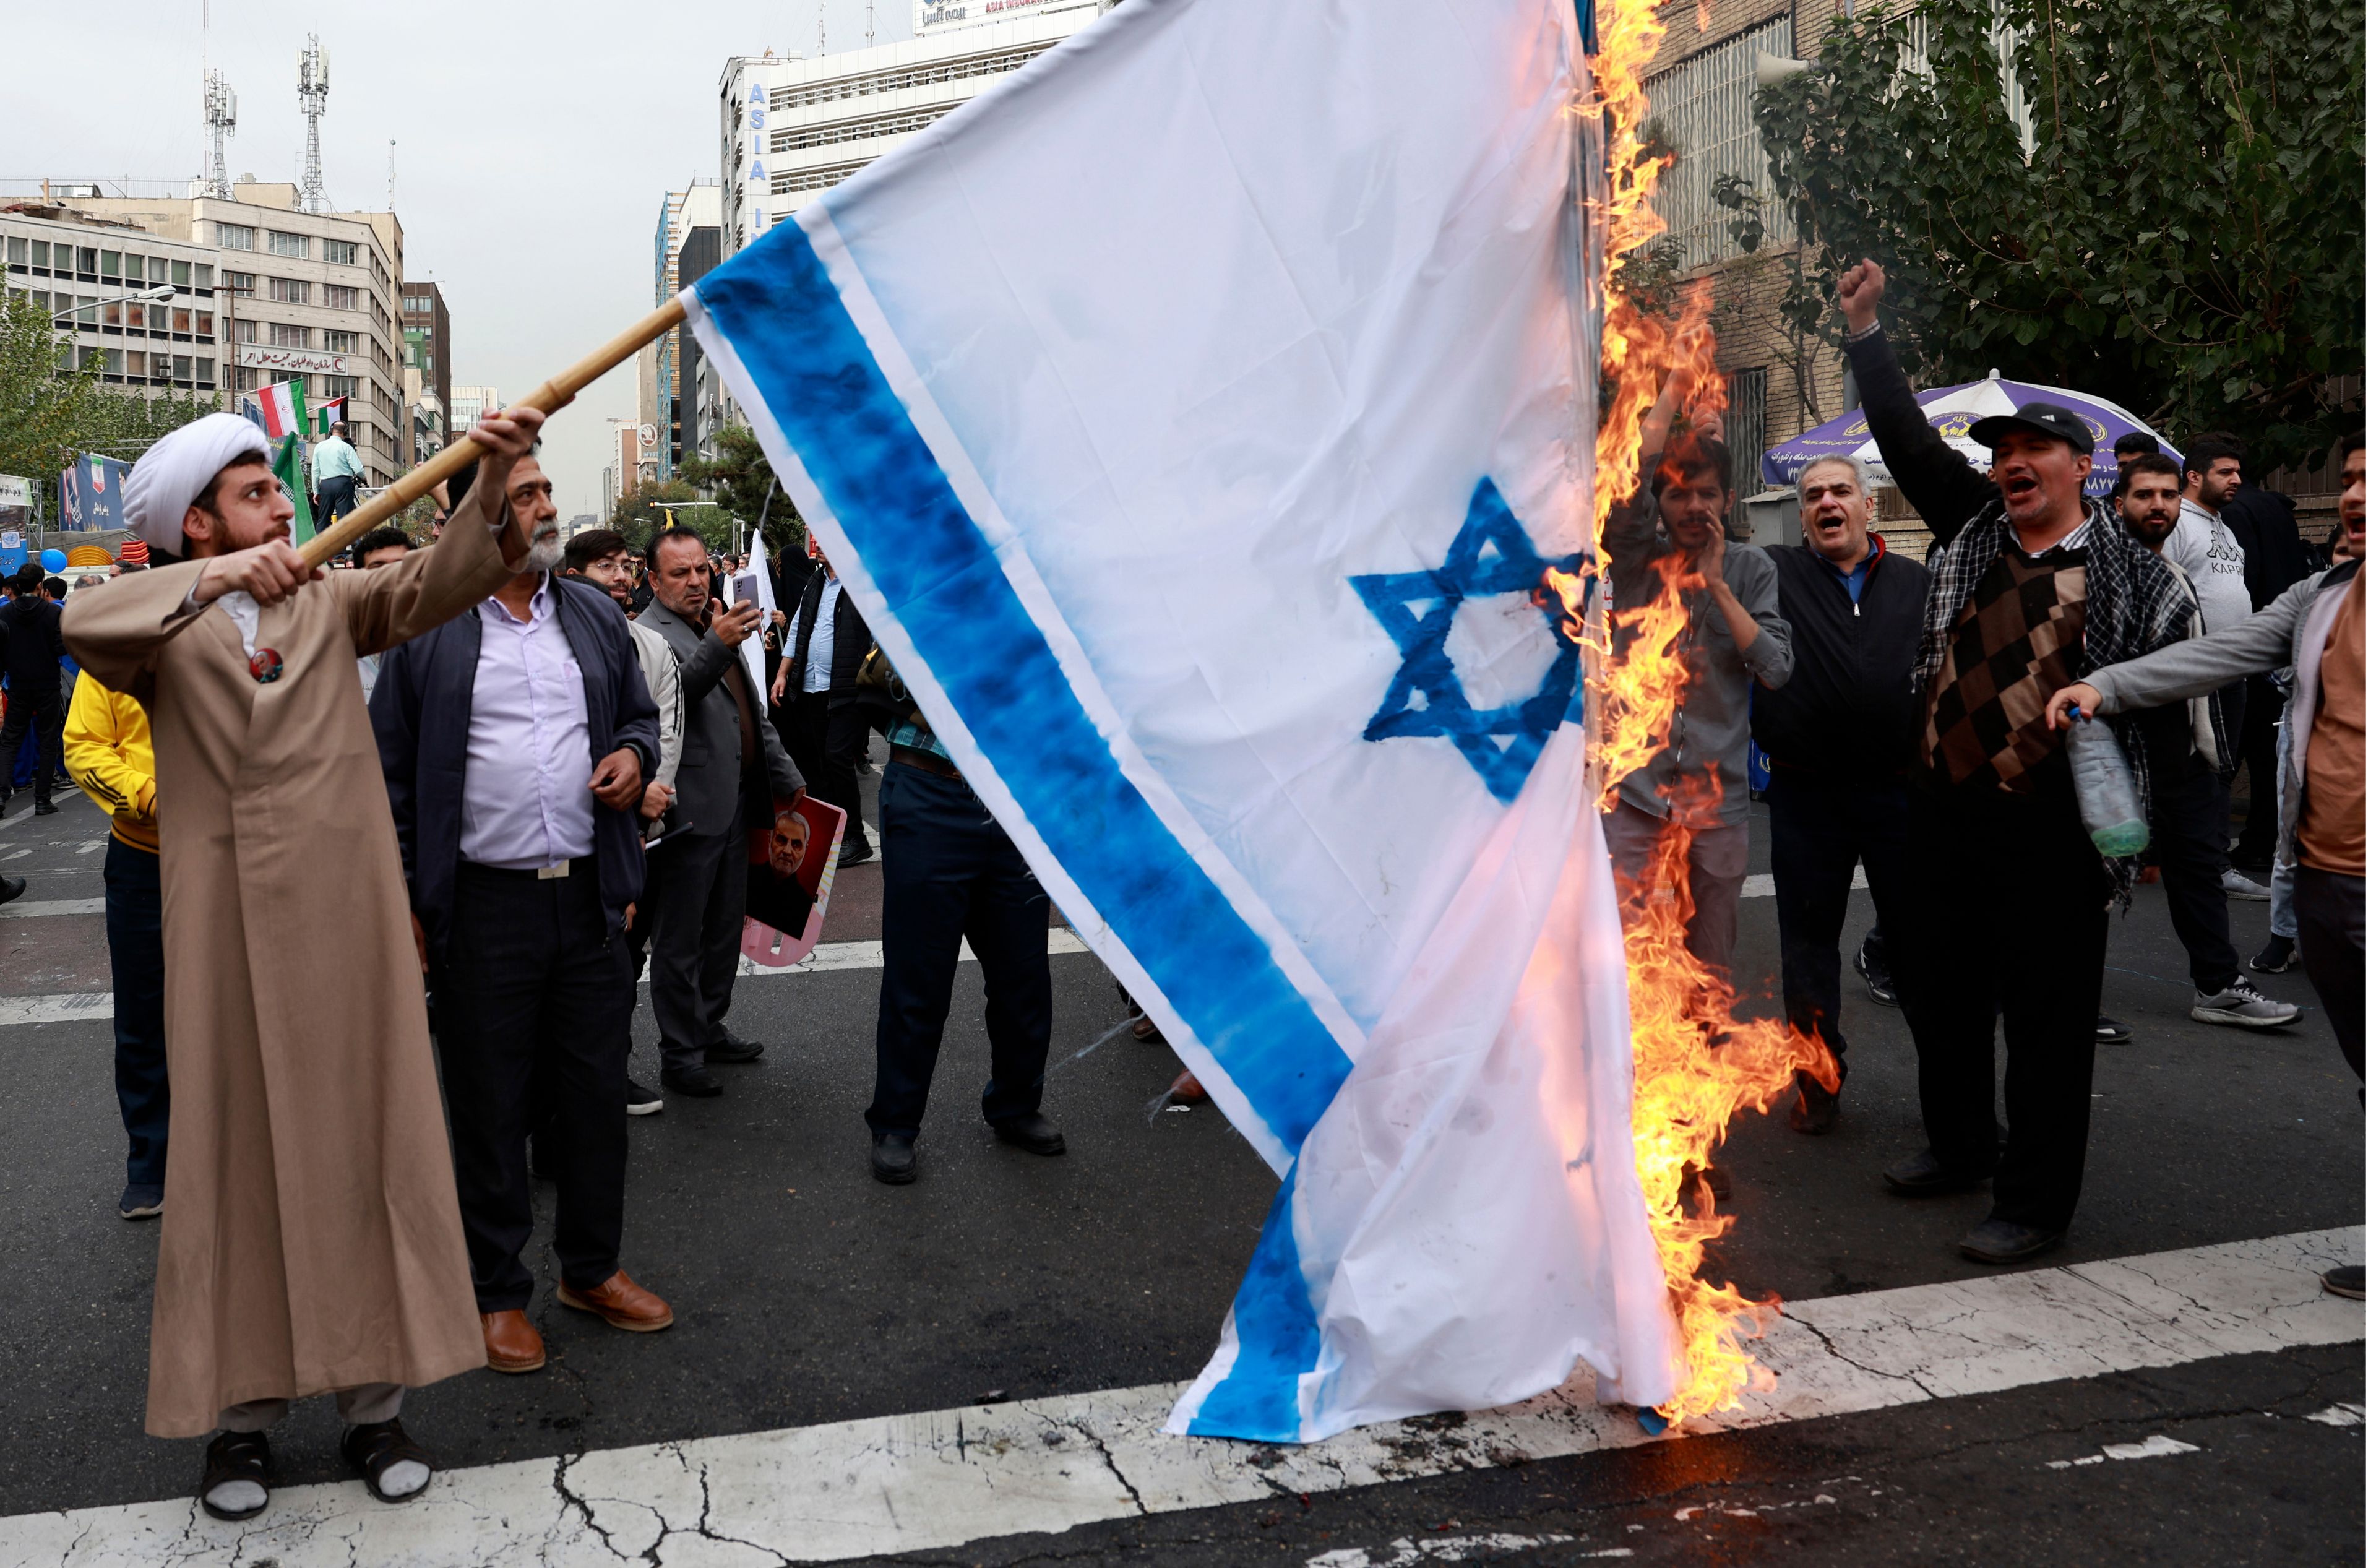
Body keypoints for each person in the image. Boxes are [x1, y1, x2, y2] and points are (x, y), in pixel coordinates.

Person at [62, 407, 543, 1518]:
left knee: (359, 1144)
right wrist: (222, 572)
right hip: (222, 931)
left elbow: (442, 578)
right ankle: (239, 1425)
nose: (286, 506)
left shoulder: (331, 598)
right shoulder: (161, 627)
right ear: (199, 522)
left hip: (346, 925)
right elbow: (88, 626)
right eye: (254, 494)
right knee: (232, 1163)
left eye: (280, 493)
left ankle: (376, 1407)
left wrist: (494, 471)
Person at [1838, 259, 2195, 1265]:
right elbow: (1908, 443)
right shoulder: (1973, 530)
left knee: (2047, 1020)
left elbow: (2167, 707)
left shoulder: (2139, 577)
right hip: (1942, 807)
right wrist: (1867, 330)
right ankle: (1959, 1145)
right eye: (2003, 452)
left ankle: (2034, 1201)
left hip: (2056, 830)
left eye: (2036, 449)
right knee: (1937, 989)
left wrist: (2149, 826)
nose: (2013, 464)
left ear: (2081, 466)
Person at [373, 452, 671, 1377]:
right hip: (482, 907)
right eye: (527, 494)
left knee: (592, 1099)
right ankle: (497, 1292)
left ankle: (592, 1268)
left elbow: (637, 719)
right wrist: (408, 905)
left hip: (587, 899)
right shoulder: (430, 627)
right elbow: (389, 776)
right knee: (490, 1105)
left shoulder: (588, 612)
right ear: (480, 516)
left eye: (548, 489)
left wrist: (630, 755)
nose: (547, 507)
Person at [2049, 434, 2365, 1299]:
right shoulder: (2325, 593)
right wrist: (2107, 687)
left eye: (2370, 481)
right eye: (2347, 480)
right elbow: (2225, 651)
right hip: (2326, 875)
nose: (2352, 497)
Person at [1601, 373, 1794, 983]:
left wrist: (1715, 582)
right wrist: (1674, 389)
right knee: (1619, 960)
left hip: (1718, 806)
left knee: (1709, 968)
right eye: (1679, 494)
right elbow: (1630, 473)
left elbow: (1776, 669)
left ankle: (1704, 1064)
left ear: (1728, 500)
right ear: (1663, 501)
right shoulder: (1635, 561)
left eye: (1706, 494)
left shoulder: (1752, 568)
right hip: (1634, 799)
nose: (1693, 507)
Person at [1754, 454, 1926, 1134]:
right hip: (1806, 795)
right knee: (1806, 948)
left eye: (1841, 491)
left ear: (1869, 504)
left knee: (1924, 949)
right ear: (1803, 515)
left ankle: (1954, 1102)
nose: (1828, 502)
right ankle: (1819, 1080)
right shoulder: (1775, 572)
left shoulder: (1915, 581)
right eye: (1814, 495)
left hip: (1900, 796)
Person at [2106, 455, 2297, 1027]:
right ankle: (2058, 992)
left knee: (2198, 867)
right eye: (2144, 495)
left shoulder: (2178, 574)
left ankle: (2218, 985)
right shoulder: (2095, 573)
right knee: (2085, 879)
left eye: (2167, 495)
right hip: (2113, 756)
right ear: (2120, 506)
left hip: (2181, 751)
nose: (2159, 506)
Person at [633, 526, 805, 1098]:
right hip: (685, 811)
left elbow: (749, 711)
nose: (695, 581)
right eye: (680, 573)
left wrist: (785, 777)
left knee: (727, 928)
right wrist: (719, 644)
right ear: (654, 581)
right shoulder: (647, 634)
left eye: (702, 569)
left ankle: (708, 1027)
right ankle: (680, 1054)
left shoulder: (715, 623)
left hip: (737, 805)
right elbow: (669, 701)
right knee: (679, 939)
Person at [866, 687, 1062, 1185]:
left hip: (1012, 797)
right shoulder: (929, 605)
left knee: (1024, 973)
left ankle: (1016, 1104)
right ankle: (896, 1123)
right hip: (930, 788)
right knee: (919, 975)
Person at [562, 526, 682, 1118]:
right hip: (584, 833)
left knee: (622, 965)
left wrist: (645, 787)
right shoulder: (552, 642)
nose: (619, 578)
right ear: (572, 575)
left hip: (643, 824)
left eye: (625, 566)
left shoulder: (652, 648)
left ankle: (610, 1073)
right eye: (605, 566)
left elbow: (660, 728)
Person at [64, 668, 166, 1219]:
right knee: (143, 1017)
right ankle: (152, 1162)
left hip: (240, 852)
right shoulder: (115, 645)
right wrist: (151, 798)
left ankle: (242, 1154)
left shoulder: (253, 631)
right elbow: (82, 747)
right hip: (143, 860)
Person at [2254, 525, 2359, 975]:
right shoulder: (2313, 606)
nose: (2353, 561)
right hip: (2303, 740)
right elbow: (2272, 665)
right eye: (2342, 551)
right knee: (2290, 837)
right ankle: (2284, 935)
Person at [2171, 433, 2264, 898]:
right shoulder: (2176, 523)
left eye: (2238, 472)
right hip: (2199, 668)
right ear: (2194, 476)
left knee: (2223, 767)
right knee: (2206, 767)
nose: (2236, 480)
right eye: (2225, 472)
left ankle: (2208, 858)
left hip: (2235, 668)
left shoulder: (2224, 525)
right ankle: (2210, 865)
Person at [2223, 456, 2314, 875]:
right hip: (2286, 640)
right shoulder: (2278, 509)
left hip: (2255, 641)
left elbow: (2244, 577)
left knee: (2229, 750)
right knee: (2266, 753)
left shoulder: (2235, 512)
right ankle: (2263, 839)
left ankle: (2218, 841)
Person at [773, 541, 878, 868]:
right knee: (822, 761)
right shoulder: (815, 582)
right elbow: (799, 633)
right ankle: (839, 835)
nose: (817, 544)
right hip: (812, 687)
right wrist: (782, 674)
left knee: (837, 757)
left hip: (848, 689)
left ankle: (857, 838)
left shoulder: (861, 585)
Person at [0, 561, 69, 816]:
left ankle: (1, 793)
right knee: (48, 739)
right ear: (41, 585)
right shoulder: (52, 613)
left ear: (17, 585)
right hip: (47, 683)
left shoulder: (4, 614)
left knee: (10, 740)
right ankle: (42, 799)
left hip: (17, 683)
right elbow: (61, 648)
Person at [351, 527, 415, 703]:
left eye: (400, 566)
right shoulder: (339, 641)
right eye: (378, 567)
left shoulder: (438, 636)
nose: (391, 575)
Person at [311, 421, 364, 527]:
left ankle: (321, 542)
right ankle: (343, 543)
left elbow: (315, 471)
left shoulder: (319, 446)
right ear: (345, 432)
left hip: (325, 485)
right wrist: (364, 478)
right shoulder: (346, 447)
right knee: (344, 521)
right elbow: (358, 470)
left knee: (323, 520)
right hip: (343, 484)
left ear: (331, 431)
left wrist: (316, 491)